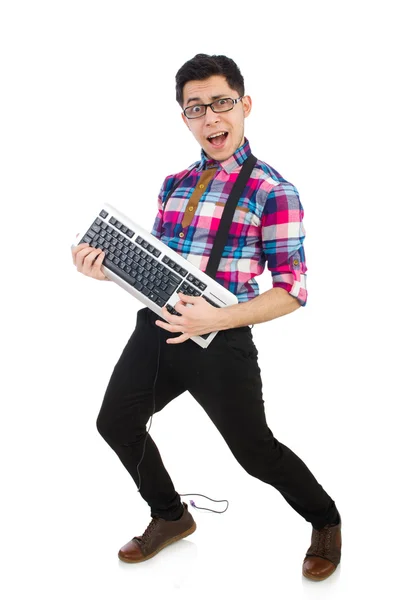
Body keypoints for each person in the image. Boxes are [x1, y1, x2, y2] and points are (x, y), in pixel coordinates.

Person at [71, 53, 341, 581]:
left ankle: (326, 519)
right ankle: (170, 516)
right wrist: (109, 271)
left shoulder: (274, 191)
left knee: (256, 454)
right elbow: (157, 269)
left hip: (222, 342)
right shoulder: (173, 183)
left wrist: (216, 319)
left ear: (243, 105)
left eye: (221, 103)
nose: (211, 118)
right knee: (116, 423)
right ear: (185, 119)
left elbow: (293, 291)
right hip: (157, 329)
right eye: (197, 108)